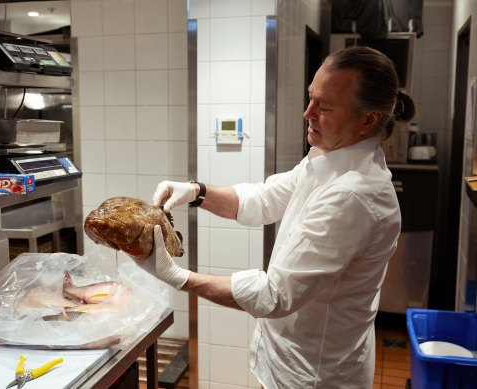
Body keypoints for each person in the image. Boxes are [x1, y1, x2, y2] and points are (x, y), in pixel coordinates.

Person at [132, 46, 416, 388]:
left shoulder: (354, 196)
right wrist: (197, 191)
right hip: (290, 360)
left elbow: (274, 295)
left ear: (368, 119)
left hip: (314, 375)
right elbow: (263, 198)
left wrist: (178, 277)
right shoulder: (328, 158)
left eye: (324, 107)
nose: (306, 112)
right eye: (310, 98)